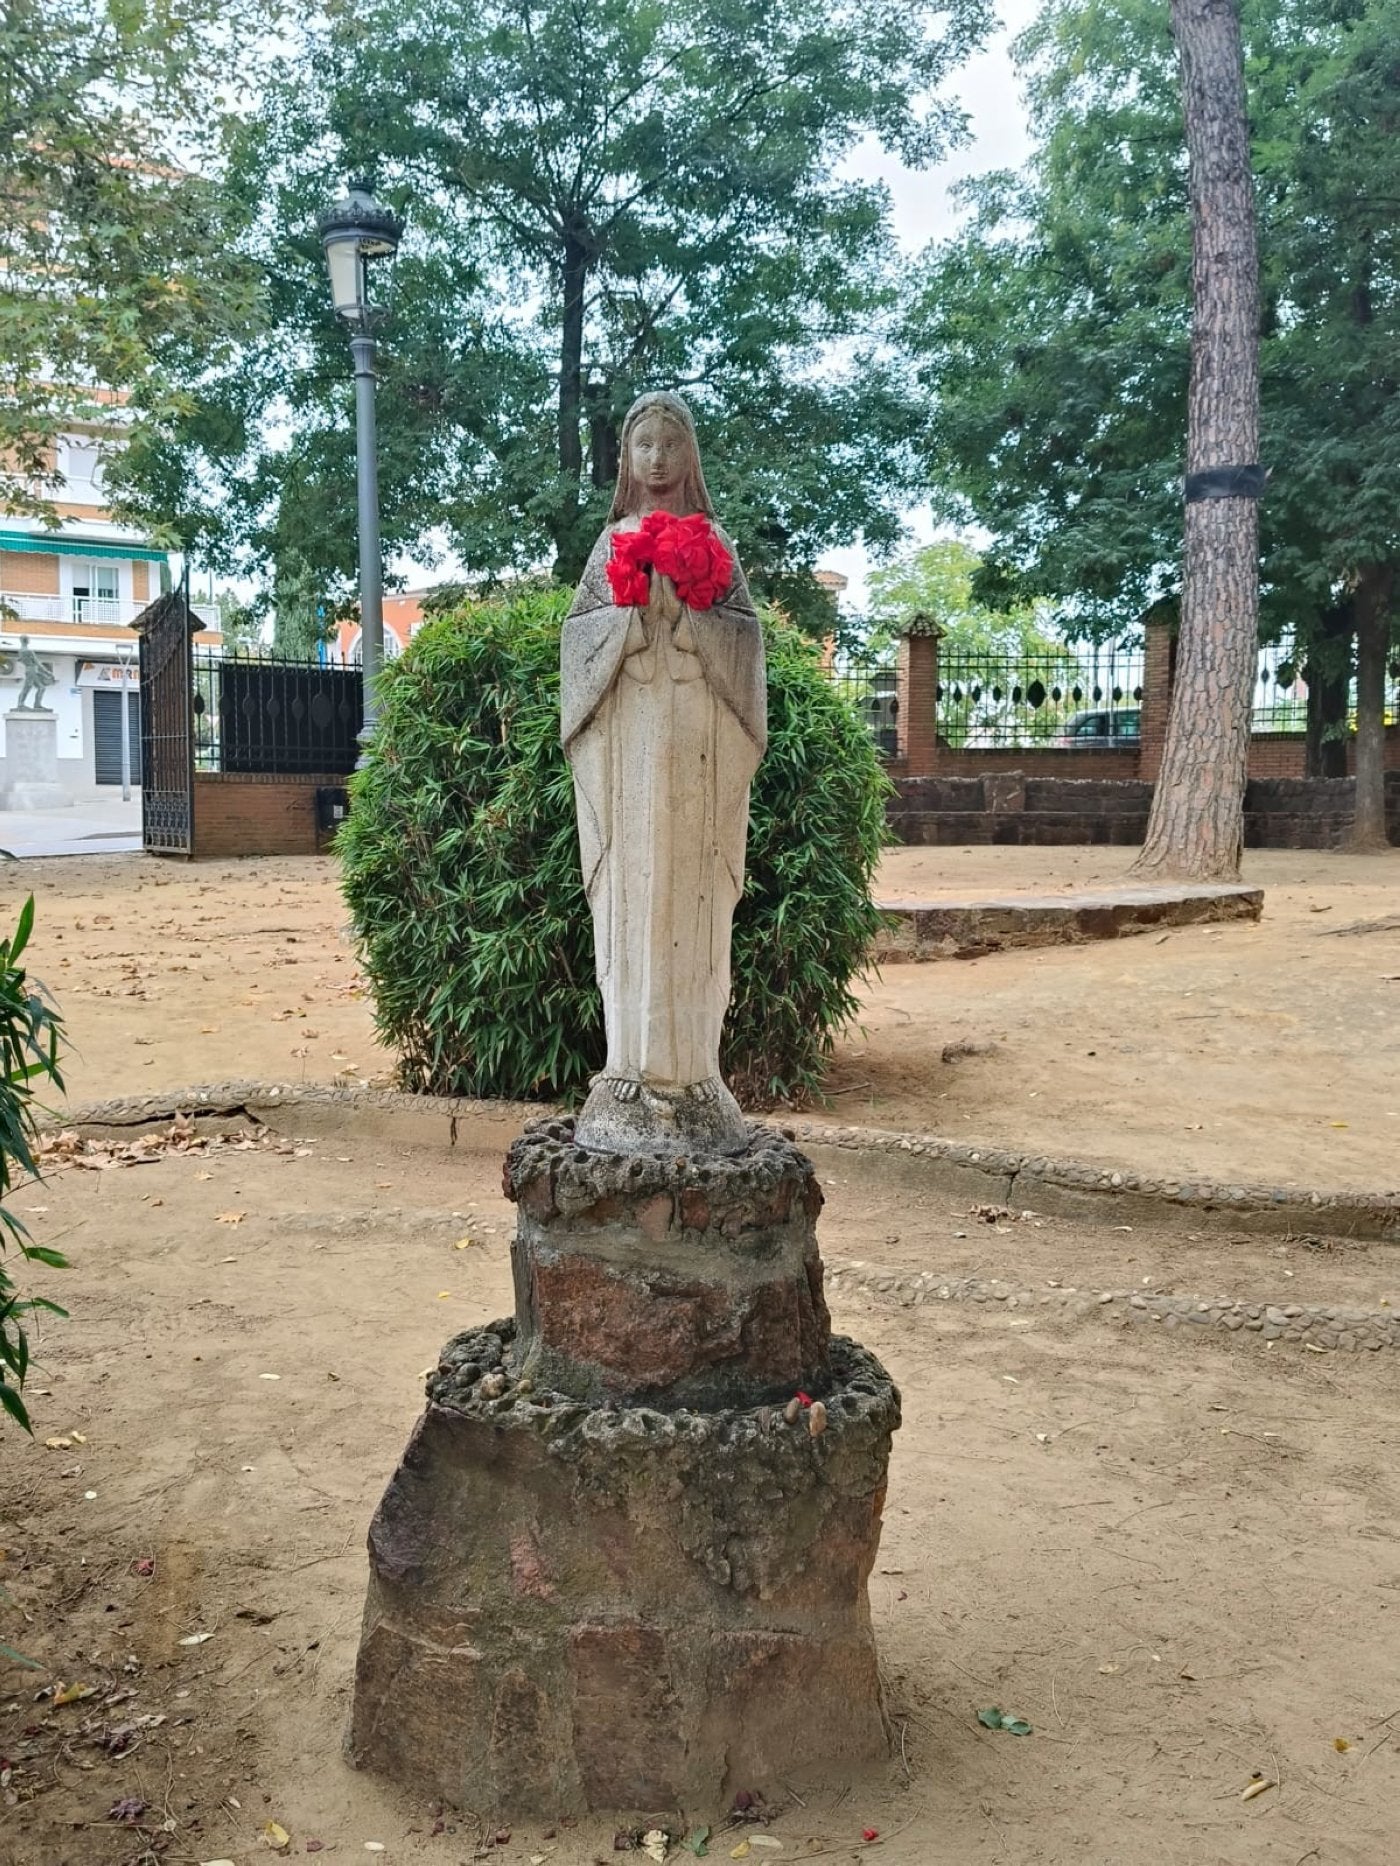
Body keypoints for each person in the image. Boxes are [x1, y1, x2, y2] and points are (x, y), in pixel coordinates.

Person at [560, 391, 766, 1153]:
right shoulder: (610, 538)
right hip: (630, 752)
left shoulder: (715, 539)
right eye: (642, 444)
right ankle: (627, 1069)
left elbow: (745, 645)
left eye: (668, 444)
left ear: (690, 456)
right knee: (632, 896)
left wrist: (691, 613)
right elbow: (576, 642)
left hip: (697, 747)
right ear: (625, 457)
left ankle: (695, 1071)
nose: (656, 459)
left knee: (692, 897)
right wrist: (631, 612)